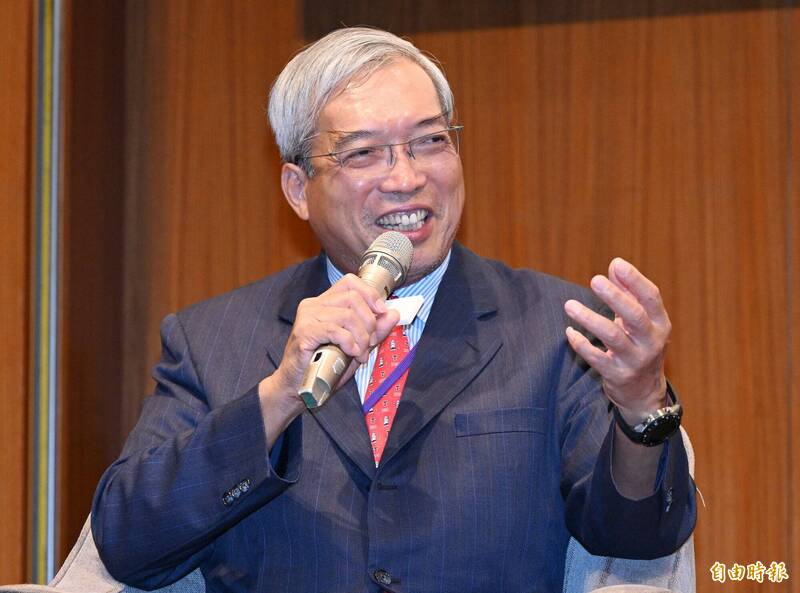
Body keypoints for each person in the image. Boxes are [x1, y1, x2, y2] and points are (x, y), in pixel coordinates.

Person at [91, 27, 696, 593]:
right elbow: (128, 543)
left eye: (430, 141)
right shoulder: (210, 341)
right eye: (363, 153)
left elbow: (637, 537)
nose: (406, 178)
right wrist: (276, 398)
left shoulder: (555, 329)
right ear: (298, 190)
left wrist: (643, 407)